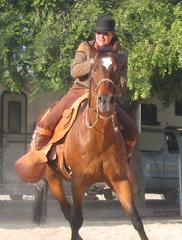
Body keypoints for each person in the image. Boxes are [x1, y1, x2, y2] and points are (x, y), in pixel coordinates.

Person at [31, 15, 138, 159]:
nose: (101, 36)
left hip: (105, 95)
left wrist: (114, 85)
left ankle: (123, 161)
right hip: (80, 91)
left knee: (132, 130)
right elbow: (74, 71)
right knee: (47, 122)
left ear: (112, 35)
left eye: (105, 33)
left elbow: (122, 85)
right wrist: (94, 63)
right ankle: (36, 158)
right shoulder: (85, 47)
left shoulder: (121, 57)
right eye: (99, 33)